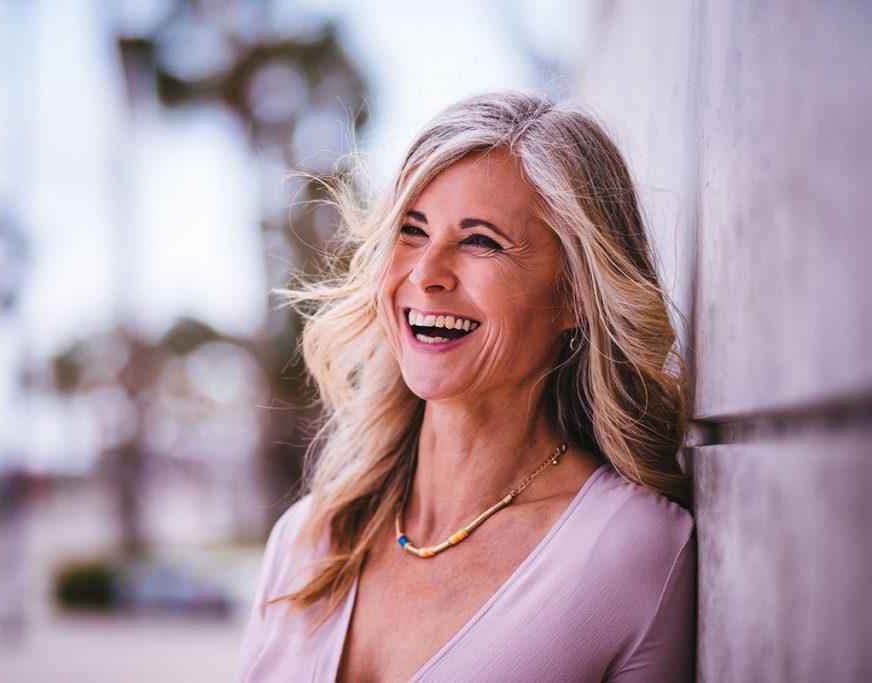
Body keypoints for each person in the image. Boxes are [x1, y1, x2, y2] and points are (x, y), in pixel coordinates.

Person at [236, 90, 696, 682]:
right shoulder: (306, 541)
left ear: (575, 294)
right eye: (411, 230)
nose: (426, 274)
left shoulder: (632, 551)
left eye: (480, 240)